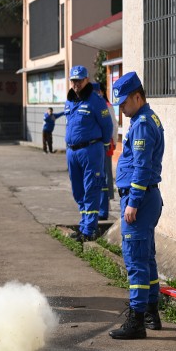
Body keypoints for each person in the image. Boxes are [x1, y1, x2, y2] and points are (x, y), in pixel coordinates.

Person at [108, 72, 165, 340]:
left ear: (137, 96)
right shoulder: (147, 118)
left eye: (124, 102)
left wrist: (132, 202)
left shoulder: (142, 124)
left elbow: (142, 168)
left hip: (139, 200)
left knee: (135, 261)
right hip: (146, 198)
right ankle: (152, 313)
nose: (121, 108)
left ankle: (137, 321)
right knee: (146, 258)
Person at [64, 66, 113, 242]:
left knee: (91, 188)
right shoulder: (69, 101)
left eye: (79, 80)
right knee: (78, 190)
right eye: (73, 80)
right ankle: (84, 224)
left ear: (86, 80)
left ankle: (89, 230)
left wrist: (104, 145)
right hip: (72, 152)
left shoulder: (95, 101)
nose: (76, 84)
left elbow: (107, 125)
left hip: (91, 150)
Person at [93, 82, 119, 219]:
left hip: (106, 144)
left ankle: (107, 202)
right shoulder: (92, 104)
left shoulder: (107, 105)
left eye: (96, 92)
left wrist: (113, 141)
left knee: (106, 173)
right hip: (95, 146)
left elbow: (113, 125)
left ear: (101, 92)